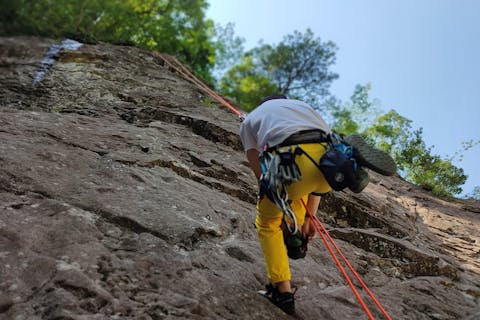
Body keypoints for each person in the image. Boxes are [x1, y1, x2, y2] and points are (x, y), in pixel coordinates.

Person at [239, 95, 396, 315]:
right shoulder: (304, 107)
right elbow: (314, 187)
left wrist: (268, 192)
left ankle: (281, 290)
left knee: (267, 223)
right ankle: (349, 160)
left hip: (288, 161)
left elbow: (256, 165)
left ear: (261, 103)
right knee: (307, 183)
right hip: (329, 163)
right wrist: (310, 218)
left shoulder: (251, 118)